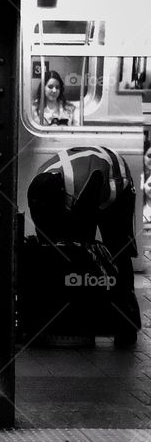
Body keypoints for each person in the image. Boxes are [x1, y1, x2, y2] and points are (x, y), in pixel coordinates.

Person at [35, 146, 142, 347]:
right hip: (90, 176)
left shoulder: (80, 184)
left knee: (118, 248)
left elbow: (81, 242)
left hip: (114, 179)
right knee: (76, 251)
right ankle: (86, 316)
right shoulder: (41, 184)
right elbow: (48, 231)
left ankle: (126, 324)